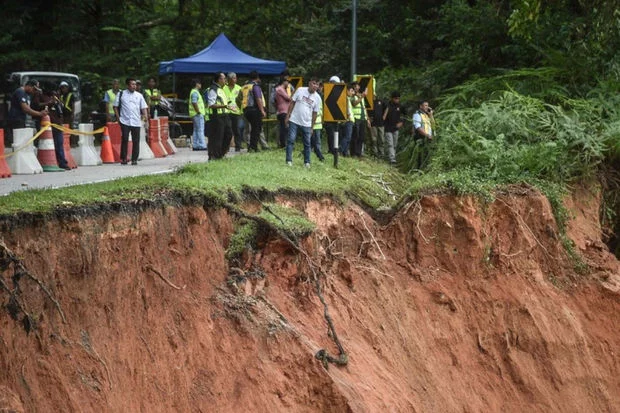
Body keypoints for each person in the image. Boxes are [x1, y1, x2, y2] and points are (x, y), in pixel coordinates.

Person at [285, 77, 322, 167]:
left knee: (307, 143)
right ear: (309, 83)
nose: (315, 86)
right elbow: (292, 102)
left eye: (317, 84)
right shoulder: (300, 90)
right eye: (314, 83)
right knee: (291, 140)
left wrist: (312, 127)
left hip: (307, 123)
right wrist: (288, 115)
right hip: (294, 120)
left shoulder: (317, 98)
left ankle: (307, 162)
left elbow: (315, 113)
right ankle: (289, 160)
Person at [113, 78, 148, 165]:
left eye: (135, 84)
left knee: (136, 140)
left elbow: (143, 107)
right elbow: (115, 106)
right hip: (125, 121)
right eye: (132, 84)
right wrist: (118, 118)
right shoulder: (121, 94)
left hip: (136, 121)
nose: (134, 86)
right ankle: (124, 158)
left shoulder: (139, 95)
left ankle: (134, 159)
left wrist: (146, 118)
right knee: (125, 139)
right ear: (128, 85)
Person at [6, 80, 47, 145]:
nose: (34, 91)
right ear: (29, 86)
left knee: (21, 141)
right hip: (16, 119)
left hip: (21, 119)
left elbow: (28, 108)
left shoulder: (27, 94)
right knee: (18, 141)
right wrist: (39, 114)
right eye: (34, 89)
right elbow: (26, 109)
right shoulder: (20, 92)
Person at [37, 89, 70, 169]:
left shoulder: (57, 99)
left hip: (58, 124)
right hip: (49, 125)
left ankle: (62, 162)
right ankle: (49, 162)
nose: (56, 93)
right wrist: (50, 103)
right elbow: (38, 106)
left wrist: (59, 103)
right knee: (48, 145)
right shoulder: (43, 97)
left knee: (59, 144)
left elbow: (64, 111)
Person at [207, 72, 233, 159]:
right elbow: (211, 104)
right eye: (224, 78)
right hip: (217, 117)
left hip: (225, 115)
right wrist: (224, 106)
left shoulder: (221, 89)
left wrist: (227, 106)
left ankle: (221, 153)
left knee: (228, 134)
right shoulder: (213, 89)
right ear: (219, 79)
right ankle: (214, 156)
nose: (225, 80)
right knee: (217, 137)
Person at [243, 71, 266, 152]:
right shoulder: (255, 86)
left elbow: (238, 99)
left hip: (246, 110)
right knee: (256, 129)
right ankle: (253, 147)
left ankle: (251, 146)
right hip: (254, 110)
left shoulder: (244, 87)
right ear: (257, 78)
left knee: (251, 129)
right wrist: (262, 110)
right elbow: (258, 99)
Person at [223, 72, 243, 152]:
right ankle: (226, 147)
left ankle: (238, 147)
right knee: (227, 131)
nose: (235, 80)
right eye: (233, 78)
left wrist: (242, 110)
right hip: (227, 111)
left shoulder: (239, 88)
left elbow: (242, 99)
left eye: (235, 78)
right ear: (229, 79)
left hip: (236, 112)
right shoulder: (223, 88)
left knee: (237, 130)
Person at [350, 81, 371, 157]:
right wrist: (362, 96)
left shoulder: (361, 96)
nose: (357, 88)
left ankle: (358, 153)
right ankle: (353, 152)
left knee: (362, 136)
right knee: (355, 136)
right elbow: (354, 104)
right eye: (355, 87)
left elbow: (364, 108)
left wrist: (368, 119)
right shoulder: (352, 96)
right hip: (356, 118)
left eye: (357, 86)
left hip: (363, 118)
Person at [412, 100, 434, 169]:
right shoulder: (417, 114)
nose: (427, 107)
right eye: (425, 105)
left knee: (427, 155)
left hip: (428, 138)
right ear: (420, 106)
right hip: (420, 138)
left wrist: (431, 115)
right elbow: (418, 127)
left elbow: (433, 125)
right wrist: (427, 135)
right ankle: (419, 170)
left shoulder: (427, 115)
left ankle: (425, 169)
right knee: (420, 156)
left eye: (427, 105)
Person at [383, 91, 403, 165]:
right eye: (395, 98)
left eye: (398, 98)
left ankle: (391, 156)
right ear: (392, 98)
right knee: (390, 144)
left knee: (394, 144)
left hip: (396, 128)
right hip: (388, 127)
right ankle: (392, 158)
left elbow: (404, 115)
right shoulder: (387, 105)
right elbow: (383, 116)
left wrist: (401, 122)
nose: (397, 100)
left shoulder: (400, 106)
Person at [188, 79, 207, 151]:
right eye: (200, 83)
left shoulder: (194, 92)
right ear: (196, 84)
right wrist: (198, 111)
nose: (201, 85)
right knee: (200, 130)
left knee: (196, 130)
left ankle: (195, 145)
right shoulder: (195, 92)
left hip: (194, 114)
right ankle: (202, 145)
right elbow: (194, 102)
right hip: (197, 114)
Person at [274, 76, 293, 148]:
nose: (288, 84)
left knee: (284, 128)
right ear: (284, 82)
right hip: (283, 111)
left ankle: (284, 144)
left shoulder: (281, 89)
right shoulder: (280, 89)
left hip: (283, 111)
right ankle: (283, 145)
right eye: (287, 82)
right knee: (284, 128)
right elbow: (289, 98)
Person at [310, 81, 325, 162]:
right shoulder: (313, 97)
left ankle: (318, 153)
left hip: (318, 123)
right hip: (312, 123)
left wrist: (322, 120)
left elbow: (321, 111)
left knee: (316, 141)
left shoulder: (319, 97)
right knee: (312, 141)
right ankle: (318, 154)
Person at [339, 83, 356, 157]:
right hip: (348, 121)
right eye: (351, 91)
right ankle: (340, 150)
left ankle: (345, 153)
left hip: (350, 120)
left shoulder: (347, 98)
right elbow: (346, 110)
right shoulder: (345, 98)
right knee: (347, 137)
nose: (353, 93)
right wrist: (348, 116)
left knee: (347, 137)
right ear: (347, 90)